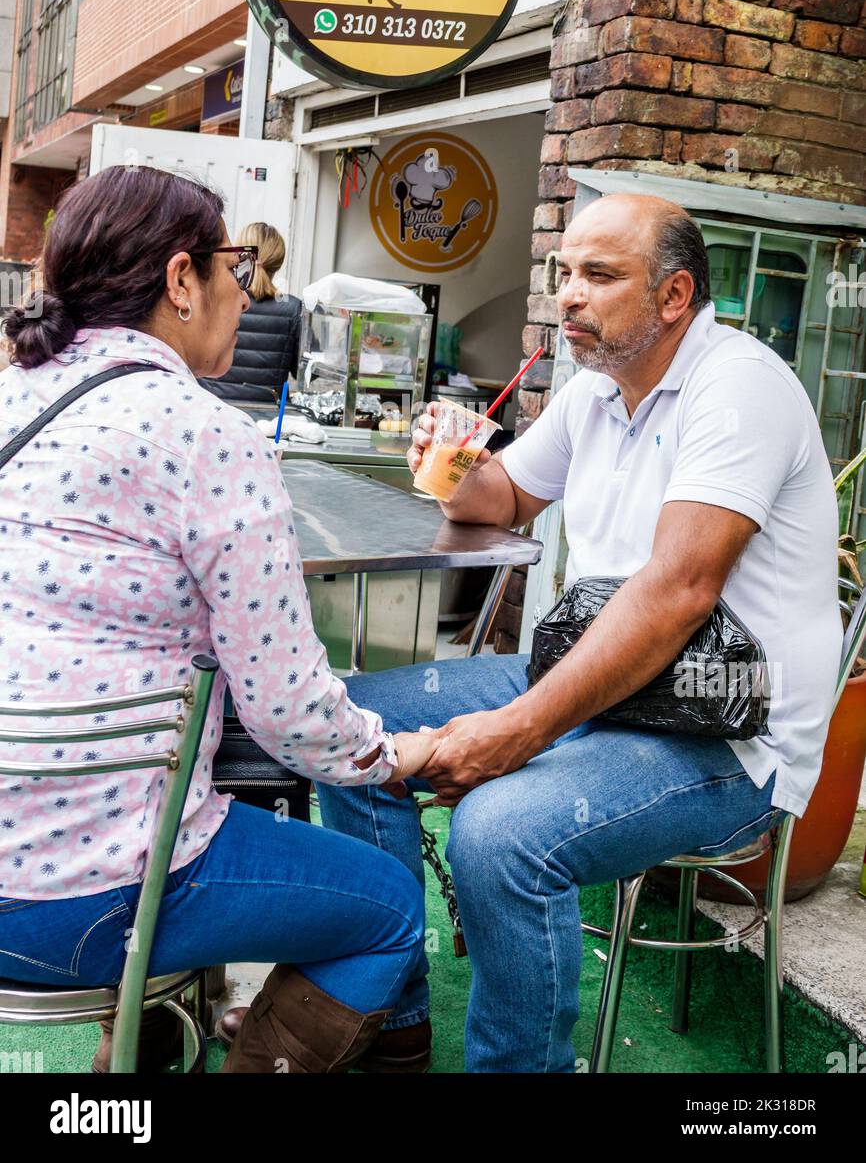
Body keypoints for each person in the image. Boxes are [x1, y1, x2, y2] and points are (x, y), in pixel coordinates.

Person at [316, 192, 842, 1073]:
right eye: (566, 274)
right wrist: (451, 462)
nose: (569, 296)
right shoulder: (598, 388)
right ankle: (394, 1018)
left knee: (495, 830)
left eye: (599, 275)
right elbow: (507, 499)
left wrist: (518, 733)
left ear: (674, 297)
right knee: (349, 728)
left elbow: (677, 591)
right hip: (611, 684)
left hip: (727, 732)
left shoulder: (736, 388)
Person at [0, 164, 436, 1075]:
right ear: (179, 279)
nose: (245, 286)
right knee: (390, 904)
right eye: (232, 262)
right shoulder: (208, 436)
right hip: (92, 901)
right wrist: (397, 755)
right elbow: (289, 712)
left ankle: (150, 1046)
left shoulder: (11, 399)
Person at [198, 221, 302, 404]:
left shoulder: (215, 296)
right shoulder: (293, 308)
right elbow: (302, 372)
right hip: (268, 421)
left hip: (214, 412)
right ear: (278, 260)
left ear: (239, 253)